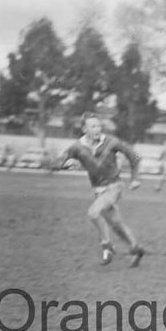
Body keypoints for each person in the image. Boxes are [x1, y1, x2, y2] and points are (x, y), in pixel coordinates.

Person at [51, 112, 146, 267]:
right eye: (93, 126)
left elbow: (134, 155)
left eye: (99, 126)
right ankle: (136, 248)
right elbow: (58, 162)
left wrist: (135, 178)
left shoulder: (111, 142)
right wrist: (64, 164)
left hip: (115, 187)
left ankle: (107, 246)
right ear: (84, 129)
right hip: (99, 191)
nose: (97, 129)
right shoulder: (77, 147)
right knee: (116, 224)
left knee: (93, 213)